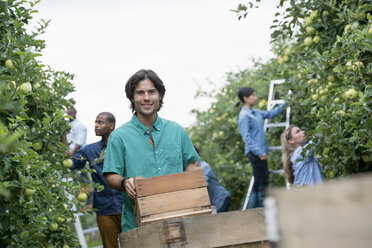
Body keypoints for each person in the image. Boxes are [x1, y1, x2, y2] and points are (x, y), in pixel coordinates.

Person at [102, 69, 200, 232]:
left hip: (179, 220)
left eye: (151, 92)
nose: (146, 98)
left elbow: (190, 164)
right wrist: (125, 182)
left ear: (160, 95)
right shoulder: (119, 136)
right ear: (132, 98)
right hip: (138, 225)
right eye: (140, 93)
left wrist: (194, 176)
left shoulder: (176, 131)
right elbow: (111, 176)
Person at [71, 112, 123, 248]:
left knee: (136, 242)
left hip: (127, 205)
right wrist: (62, 137)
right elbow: (71, 163)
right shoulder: (90, 150)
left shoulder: (123, 146)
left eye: (100, 122)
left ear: (111, 126)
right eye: (95, 122)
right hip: (104, 209)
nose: (96, 125)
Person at [236, 87, 285, 208]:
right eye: (253, 95)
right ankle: (262, 210)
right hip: (255, 153)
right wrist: (259, 152)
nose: (255, 97)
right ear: (245, 99)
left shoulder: (255, 112)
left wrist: (285, 103)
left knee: (258, 182)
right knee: (263, 182)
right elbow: (246, 137)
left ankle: (254, 210)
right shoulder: (244, 116)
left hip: (259, 153)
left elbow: (270, 114)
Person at [193, 146, 230, 213]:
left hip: (221, 199)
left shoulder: (204, 166)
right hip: (214, 202)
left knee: (217, 221)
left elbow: (203, 185)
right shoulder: (194, 169)